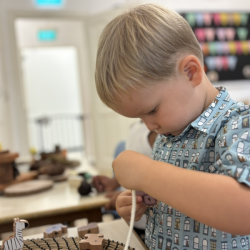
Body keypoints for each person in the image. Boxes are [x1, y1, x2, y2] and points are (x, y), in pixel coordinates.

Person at [95, 3, 250, 250]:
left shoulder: (238, 124)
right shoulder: (169, 132)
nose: (150, 126)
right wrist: (138, 205)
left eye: (152, 110)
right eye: (140, 118)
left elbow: (245, 210)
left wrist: (146, 173)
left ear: (190, 72)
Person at [92, 121, 157, 241]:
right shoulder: (135, 128)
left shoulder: (159, 132)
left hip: (147, 226)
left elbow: (162, 186)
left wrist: (129, 197)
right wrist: (114, 182)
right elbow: (135, 171)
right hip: (131, 222)